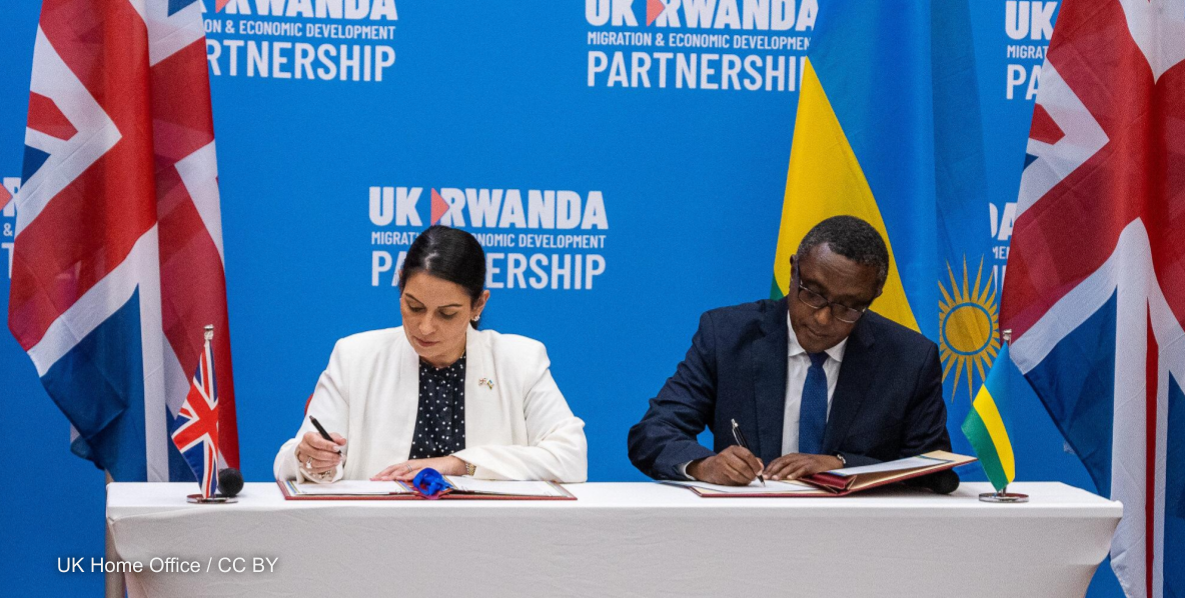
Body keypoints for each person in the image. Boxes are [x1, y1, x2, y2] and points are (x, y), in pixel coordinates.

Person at [628, 215, 954, 488]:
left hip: (859, 537)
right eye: (812, 293)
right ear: (793, 271)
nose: (823, 318)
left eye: (848, 307)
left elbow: (935, 471)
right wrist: (704, 466)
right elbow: (653, 433)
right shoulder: (726, 335)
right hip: (748, 532)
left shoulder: (909, 359)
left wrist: (841, 465)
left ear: (873, 297)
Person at [274, 226, 587, 484]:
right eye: (414, 307)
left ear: (479, 305)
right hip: (374, 536)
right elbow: (296, 460)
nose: (425, 327)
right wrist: (311, 459)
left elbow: (571, 457)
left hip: (491, 539)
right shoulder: (355, 357)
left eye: (447, 314)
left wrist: (459, 464)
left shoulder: (520, 360)